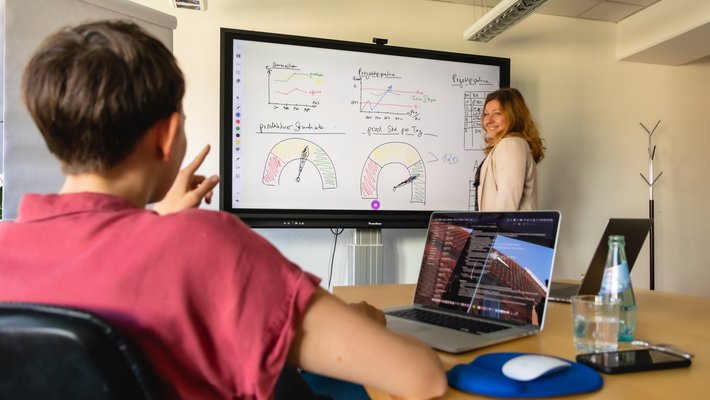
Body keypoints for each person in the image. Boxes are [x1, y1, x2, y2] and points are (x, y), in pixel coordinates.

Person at [0, 20, 446, 399]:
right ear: (168, 134)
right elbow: (420, 379)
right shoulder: (205, 245)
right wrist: (366, 320)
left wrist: (155, 223)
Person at [475, 87, 545, 211]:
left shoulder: (511, 145)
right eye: (486, 114)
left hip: (504, 229)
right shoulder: (510, 144)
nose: (488, 120)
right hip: (502, 228)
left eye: (497, 113)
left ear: (514, 116)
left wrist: (493, 230)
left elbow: (507, 202)